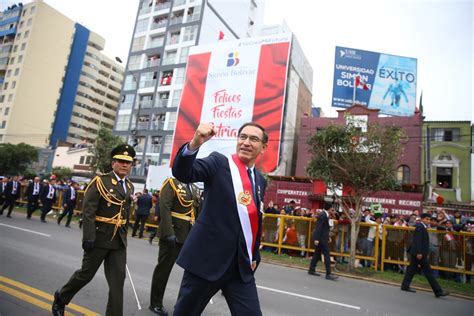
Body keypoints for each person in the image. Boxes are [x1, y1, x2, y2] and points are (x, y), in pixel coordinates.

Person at [171, 122, 267, 315]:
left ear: (263, 148)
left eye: (254, 139)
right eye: (243, 137)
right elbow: (183, 172)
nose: (247, 142)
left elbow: (254, 220)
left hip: (240, 268)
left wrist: (254, 255)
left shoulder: (260, 180)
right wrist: (196, 142)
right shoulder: (218, 163)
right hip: (206, 262)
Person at [52, 144, 135, 316]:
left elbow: (124, 214)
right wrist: (88, 237)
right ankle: (61, 297)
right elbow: (88, 211)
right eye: (121, 161)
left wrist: (124, 238)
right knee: (85, 275)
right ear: (113, 163)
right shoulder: (101, 181)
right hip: (99, 237)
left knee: (117, 283)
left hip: (118, 242)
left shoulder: (129, 186)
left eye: (128, 162)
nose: (125, 165)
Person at [149, 177, 196, 315]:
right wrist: (169, 232)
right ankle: (155, 303)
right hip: (173, 233)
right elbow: (165, 207)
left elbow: (196, 213)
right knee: (163, 270)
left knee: (191, 274)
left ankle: (183, 306)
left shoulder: (193, 187)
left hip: (189, 235)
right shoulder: (171, 183)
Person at [401, 213, 449, 297]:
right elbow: (418, 240)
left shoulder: (422, 227)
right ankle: (438, 291)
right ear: (422, 219)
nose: (428, 221)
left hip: (418, 253)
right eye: (426, 219)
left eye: (429, 219)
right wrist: (419, 253)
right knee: (428, 272)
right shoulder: (420, 227)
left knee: (411, 269)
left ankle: (405, 286)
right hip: (419, 254)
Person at [308, 202, 338, 280]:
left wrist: (328, 237)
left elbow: (325, 229)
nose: (333, 210)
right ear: (329, 208)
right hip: (321, 239)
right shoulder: (323, 215)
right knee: (327, 255)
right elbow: (319, 228)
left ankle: (311, 269)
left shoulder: (325, 215)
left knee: (317, 254)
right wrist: (316, 239)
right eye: (332, 208)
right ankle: (328, 274)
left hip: (323, 238)